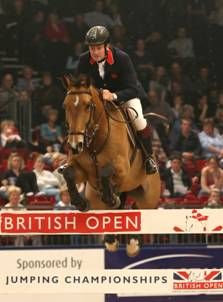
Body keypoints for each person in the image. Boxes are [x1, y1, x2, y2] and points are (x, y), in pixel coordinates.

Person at [76, 25, 157, 174]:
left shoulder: (122, 58)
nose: (94, 52)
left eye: (98, 48)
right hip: (97, 101)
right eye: (91, 48)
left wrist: (113, 96)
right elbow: (80, 86)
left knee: (138, 120)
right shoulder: (83, 60)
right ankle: (73, 158)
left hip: (125, 96)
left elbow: (132, 88)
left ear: (107, 46)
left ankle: (148, 157)